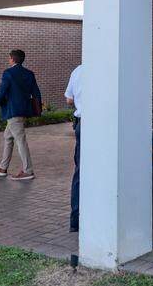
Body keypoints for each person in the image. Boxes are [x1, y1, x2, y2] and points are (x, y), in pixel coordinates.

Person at [0, 49, 42, 181]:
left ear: (12, 59)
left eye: (9, 58)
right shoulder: (29, 74)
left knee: (20, 141)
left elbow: (3, 89)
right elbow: (36, 92)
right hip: (23, 110)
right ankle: (3, 168)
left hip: (13, 111)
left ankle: (28, 170)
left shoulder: (8, 73)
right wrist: (38, 109)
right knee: (8, 137)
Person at [64, 63, 84, 232]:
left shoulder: (77, 71)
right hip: (102, 124)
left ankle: (75, 221)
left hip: (82, 125)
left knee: (80, 172)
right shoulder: (108, 68)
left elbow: (69, 100)